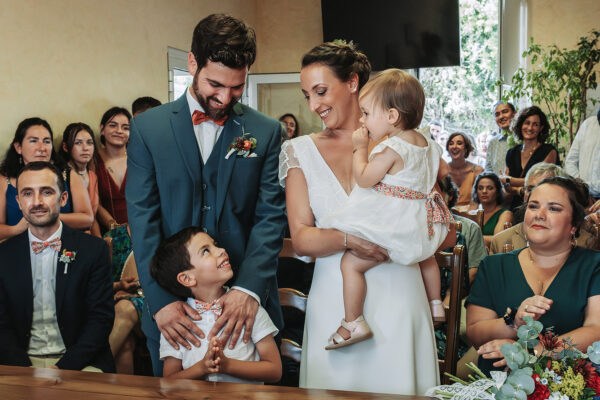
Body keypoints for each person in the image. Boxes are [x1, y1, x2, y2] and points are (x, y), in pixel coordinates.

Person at [126, 13, 286, 377]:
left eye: (236, 87)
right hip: (174, 316)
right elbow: (142, 220)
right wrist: (162, 303)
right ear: (192, 62)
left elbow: (271, 217)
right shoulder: (148, 129)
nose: (225, 97)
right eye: (216, 84)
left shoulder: (266, 131)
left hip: (248, 306)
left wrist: (248, 289)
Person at [280, 41, 440, 394]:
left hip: (400, 291)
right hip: (336, 299)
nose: (314, 105)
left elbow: (435, 222)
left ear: (352, 82)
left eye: (321, 91)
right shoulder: (299, 151)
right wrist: (349, 240)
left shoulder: (410, 144)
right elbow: (304, 239)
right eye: (307, 95)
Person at [318, 69, 451, 350]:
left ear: (391, 117)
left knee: (350, 263)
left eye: (366, 113)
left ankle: (353, 321)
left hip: (395, 224)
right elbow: (437, 173)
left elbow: (365, 179)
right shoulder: (429, 145)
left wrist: (360, 149)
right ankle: (436, 303)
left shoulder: (391, 148)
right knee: (425, 254)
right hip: (421, 224)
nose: (362, 120)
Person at [466, 177, 600, 376]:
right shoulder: (494, 266)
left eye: (554, 208)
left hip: (571, 381)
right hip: (500, 382)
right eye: (533, 206)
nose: (540, 215)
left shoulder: (593, 265)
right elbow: (475, 333)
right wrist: (513, 322)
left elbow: (595, 329)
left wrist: (533, 352)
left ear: (574, 224)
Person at [0, 162, 114, 372]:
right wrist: (26, 371)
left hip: (80, 362)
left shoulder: (94, 250)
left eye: (46, 192)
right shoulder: (3, 256)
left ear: (63, 198)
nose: (37, 202)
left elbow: (100, 320)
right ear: (18, 201)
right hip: (19, 361)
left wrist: (63, 367)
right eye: (27, 193)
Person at [150, 227, 281, 383]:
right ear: (187, 278)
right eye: (206, 251)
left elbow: (274, 371)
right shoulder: (177, 324)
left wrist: (227, 365)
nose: (221, 250)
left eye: (215, 245)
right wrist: (201, 368)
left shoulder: (247, 309)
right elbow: (168, 382)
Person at [0, 118, 94, 241]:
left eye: (47, 141)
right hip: (18, 250)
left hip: (65, 247)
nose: (42, 148)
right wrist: (18, 228)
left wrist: (46, 216)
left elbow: (87, 219)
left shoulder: (67, 174)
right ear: (18, 147)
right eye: (33, 141)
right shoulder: (3, 179)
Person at [489, 163, 595, 254]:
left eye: (543, 188)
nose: (535, 195)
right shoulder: (501, 241)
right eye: (530, 189)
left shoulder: (588, 243)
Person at [503, 105, 559, 211]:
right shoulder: (511, 153)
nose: (530, 128)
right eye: (527, 123)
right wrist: (517, 188)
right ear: (520, 125)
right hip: (514, 208)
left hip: (541, 207)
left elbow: (540, 182)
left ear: (541, 128)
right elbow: (507, 188)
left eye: (535, 124)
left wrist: (508, 180)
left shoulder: (549, 151)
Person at [59, 122, 101, 236]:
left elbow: (93, 218)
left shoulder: (92, 176)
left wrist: (100, 243)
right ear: (65, 147)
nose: (85, 148)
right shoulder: (61, 175)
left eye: (89, 143)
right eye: (78, 143)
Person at [96, 107, 131, 232]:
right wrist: (114, 226)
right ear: (102, 129)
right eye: (113, 125)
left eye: (125, 128)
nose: (119, 131)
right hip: (108, 232)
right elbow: (95, 203)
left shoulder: (138, 158)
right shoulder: (93, 160)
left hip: (140, 228)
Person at [468, 172, 513, 247]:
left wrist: (473, 239)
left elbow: (497, 240)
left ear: (498, 191)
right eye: (480, 188)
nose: (484, 191)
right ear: (476, 191)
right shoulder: (473, 213)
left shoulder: (505, 214)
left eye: (490, 188)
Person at [564, 108, 600, 199]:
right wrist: (580, 186)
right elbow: (570, 161)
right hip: (580, 198)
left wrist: (584, 186)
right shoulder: (588, 124)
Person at [447, 132, 483, 207]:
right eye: (451, 143)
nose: (454, 146)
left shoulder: (477, 171)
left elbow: (481, 201)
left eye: (459, 143)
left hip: (471, 215)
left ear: (466, 148)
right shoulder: (442, 171)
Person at [486, 102, 516, 174]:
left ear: (514, 114)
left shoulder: (524, 140)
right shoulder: (493, 143)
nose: (501, 117)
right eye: (497, 114)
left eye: (505, 112)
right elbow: (488, 171)